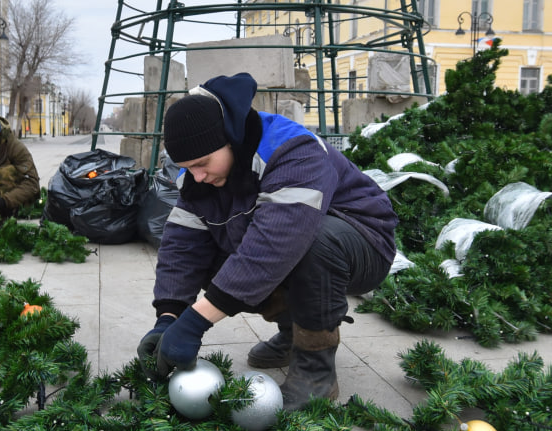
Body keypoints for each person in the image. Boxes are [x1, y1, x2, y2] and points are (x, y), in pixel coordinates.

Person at [137, 73, 397, 411]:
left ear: (230, 138)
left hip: (363, 241)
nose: (197, 176)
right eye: (188, 168)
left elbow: (276, 245)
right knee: (217, 256)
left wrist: (196, 322)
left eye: (202, 164)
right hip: (295, 244)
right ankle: (293, 333)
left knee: (311, 243)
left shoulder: (293, 149)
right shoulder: (199, 178)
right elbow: (182, 248)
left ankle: (315, 370)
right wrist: (168, 318)